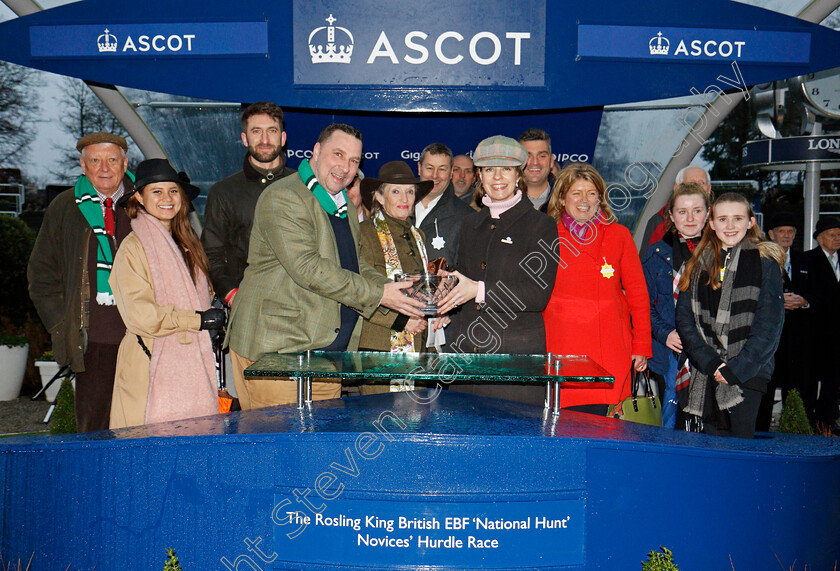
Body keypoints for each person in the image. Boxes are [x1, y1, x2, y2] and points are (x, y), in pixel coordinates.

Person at [226, 124, 426, 409]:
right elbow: (309, 268)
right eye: (338, 154)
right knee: (284, 447)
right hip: (278, 352)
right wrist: (381, 295)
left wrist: (400, 291)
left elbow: (355, 267)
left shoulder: (341, 203)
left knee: (317, 450)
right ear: (317, 151)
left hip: (326, 355)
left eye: (354, 160)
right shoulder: (284, 197)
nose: (345, 167)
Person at [439, 135, 559, 405]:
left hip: (514, 363)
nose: (497, 178)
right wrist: (442, 302)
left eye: (506, 169)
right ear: (480, 175)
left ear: (519, 174)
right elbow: (463, 281)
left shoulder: (542, 225)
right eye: (489, 170)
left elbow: (537, 294)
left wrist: (477, 290)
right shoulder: (469, 224)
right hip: (466, 359)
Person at [27, 132, 134, 432]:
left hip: (141, 337)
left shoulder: (147, 201)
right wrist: (62, 325)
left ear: (125, 163)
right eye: (95, 160)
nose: (104, 168)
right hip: (92, 343)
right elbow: (41, 273)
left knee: (143, 429)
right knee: (94, 433)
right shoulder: (64, 207)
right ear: (82, 165)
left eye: (112, 160)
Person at [108, 159, 225, 429]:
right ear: (139, 197)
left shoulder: (187, 242)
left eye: (173, 191)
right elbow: (141, 316)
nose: (166, 199)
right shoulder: (133, 248)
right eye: (156, 192)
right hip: (148, 361)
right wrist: (197, 320)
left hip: (190, 364)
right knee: (145, 456)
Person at [543, 163, 652, 416]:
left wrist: (642, 346)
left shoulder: (619, 235)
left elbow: (637, 293)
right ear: (561, 199)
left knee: (605, 429)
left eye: (591, 193)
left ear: (600, 199)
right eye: (576, 193)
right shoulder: (546, 235)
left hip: (609, 351)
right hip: (562, 348)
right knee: (565, 428)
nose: (585, 201)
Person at [676, 193, 785, 438]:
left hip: (748, 375)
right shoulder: (696, 264)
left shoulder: (765, 263)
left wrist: (735, 369)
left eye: (738, 218)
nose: (730, 225)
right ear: (711, 224)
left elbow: (769, 326)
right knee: (707, 454)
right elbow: (685, 321)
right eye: (723, 219)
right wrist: (712, 364)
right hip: (705, 372)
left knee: (739, 454)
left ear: (750, 222)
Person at [201, 102, 296, 307]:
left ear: (283, 137)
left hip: (299, 306)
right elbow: (211, 255)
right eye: (256, 131)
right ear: (244, 139)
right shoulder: (223, 192)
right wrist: (232, 295)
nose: (264, 140)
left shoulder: (305, 187)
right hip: (247, 305)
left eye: (272, 131)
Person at [357, 161, 440, 394]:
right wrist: (401, 320)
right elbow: (358, 291)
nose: (405, 198)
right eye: (396, 191)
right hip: (380, 347)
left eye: (410, 191)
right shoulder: (365, 233)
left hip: (420, 346)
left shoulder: (419, 236)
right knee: (380, 420)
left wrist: (439, 308)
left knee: (416, 423)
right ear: (380, 198)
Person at [642, 182, 710, 430]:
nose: (690, 218)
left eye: (697, 211)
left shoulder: (721, 252)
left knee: (708, 425)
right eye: (682, 211)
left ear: (708, 212)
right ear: (671, 215)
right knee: (671, 421)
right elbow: (642, 305)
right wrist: (664, 333)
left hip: (711, 353)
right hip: (670, 353)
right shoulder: (657, 253)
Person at [756, 212, 813, 430]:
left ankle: (795, 429)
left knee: (796, 383)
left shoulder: (804, 260)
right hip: (769, 334)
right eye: (782, 231)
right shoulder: (761, 258)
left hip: (797, 336)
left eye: (790, 232)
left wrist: (804, 301)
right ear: (771, 234)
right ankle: (759, 429)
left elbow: (819, 292)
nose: (787, 235)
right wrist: (780, 300)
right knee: (766, 383)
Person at [803, 216, 840, 430]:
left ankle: (827, 419)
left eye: (839, 235)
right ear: (819, 238)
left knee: (833, 377)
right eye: (832, 235)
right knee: (808, 376)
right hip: (814, 330)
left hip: (837, 331)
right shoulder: (807, 260)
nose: (837, 238)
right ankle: (808, 420)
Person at [415, 143, 474, 267]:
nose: (435, 175)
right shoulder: (399, 207)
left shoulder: (466, 218)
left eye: (442, 169)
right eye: (429, 168)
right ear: (419, 168)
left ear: (451, 172)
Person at [640, 166, 712, 257]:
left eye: (702, 182)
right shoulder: (659, 221)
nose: (696, 187)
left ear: (709, 189)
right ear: (677, 188)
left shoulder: (721, 220)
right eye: (690, 183)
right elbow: (646, 263)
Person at [518, 128, 555, 212]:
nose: (535, 162)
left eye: (542, 156)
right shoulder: (502, 199)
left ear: (551, 161)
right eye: (528, 156)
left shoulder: (566, 198)